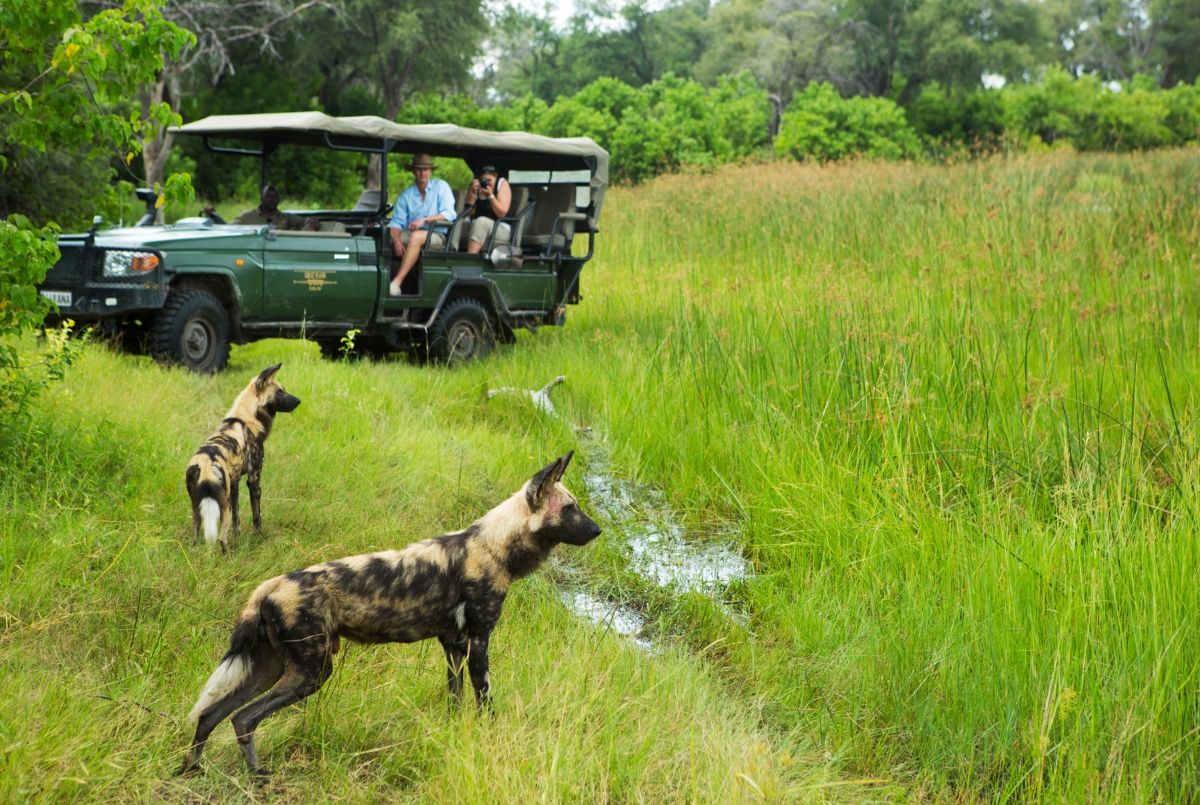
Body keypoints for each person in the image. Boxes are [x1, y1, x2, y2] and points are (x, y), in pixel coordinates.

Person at [388, 154, 456, 296]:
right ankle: (392, 283)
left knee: (416, 237)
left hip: (438, 234)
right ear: (413, 171)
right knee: (387, 237)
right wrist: (397, 240)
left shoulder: (441, 187)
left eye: (425, 169)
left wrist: (424, 219)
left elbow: (450, 214)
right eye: (419, 169)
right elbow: (396, 222)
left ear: (430, 171)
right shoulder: (406, 195)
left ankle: (396, 283)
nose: (422, 173)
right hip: (413, 232)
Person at [463, 165, 512, 254]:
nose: (486, 183)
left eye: (489, 180)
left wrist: (490, 196)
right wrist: (474, 194)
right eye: (483, 180)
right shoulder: (475, 185)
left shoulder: (502, 183)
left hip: (500, 227)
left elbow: (501, 214)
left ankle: (469, 258)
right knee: (459, 225)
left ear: (496, 176)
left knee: (481, 222)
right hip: (475, 224)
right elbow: (467, 214)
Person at [229, 186, 319, 230]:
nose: (272, 199)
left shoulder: (286, 217)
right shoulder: (248, 217)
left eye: (274, 196)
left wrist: (313, 221)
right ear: (261, 198)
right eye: (268, 196)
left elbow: (306, 221)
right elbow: (228, 228)